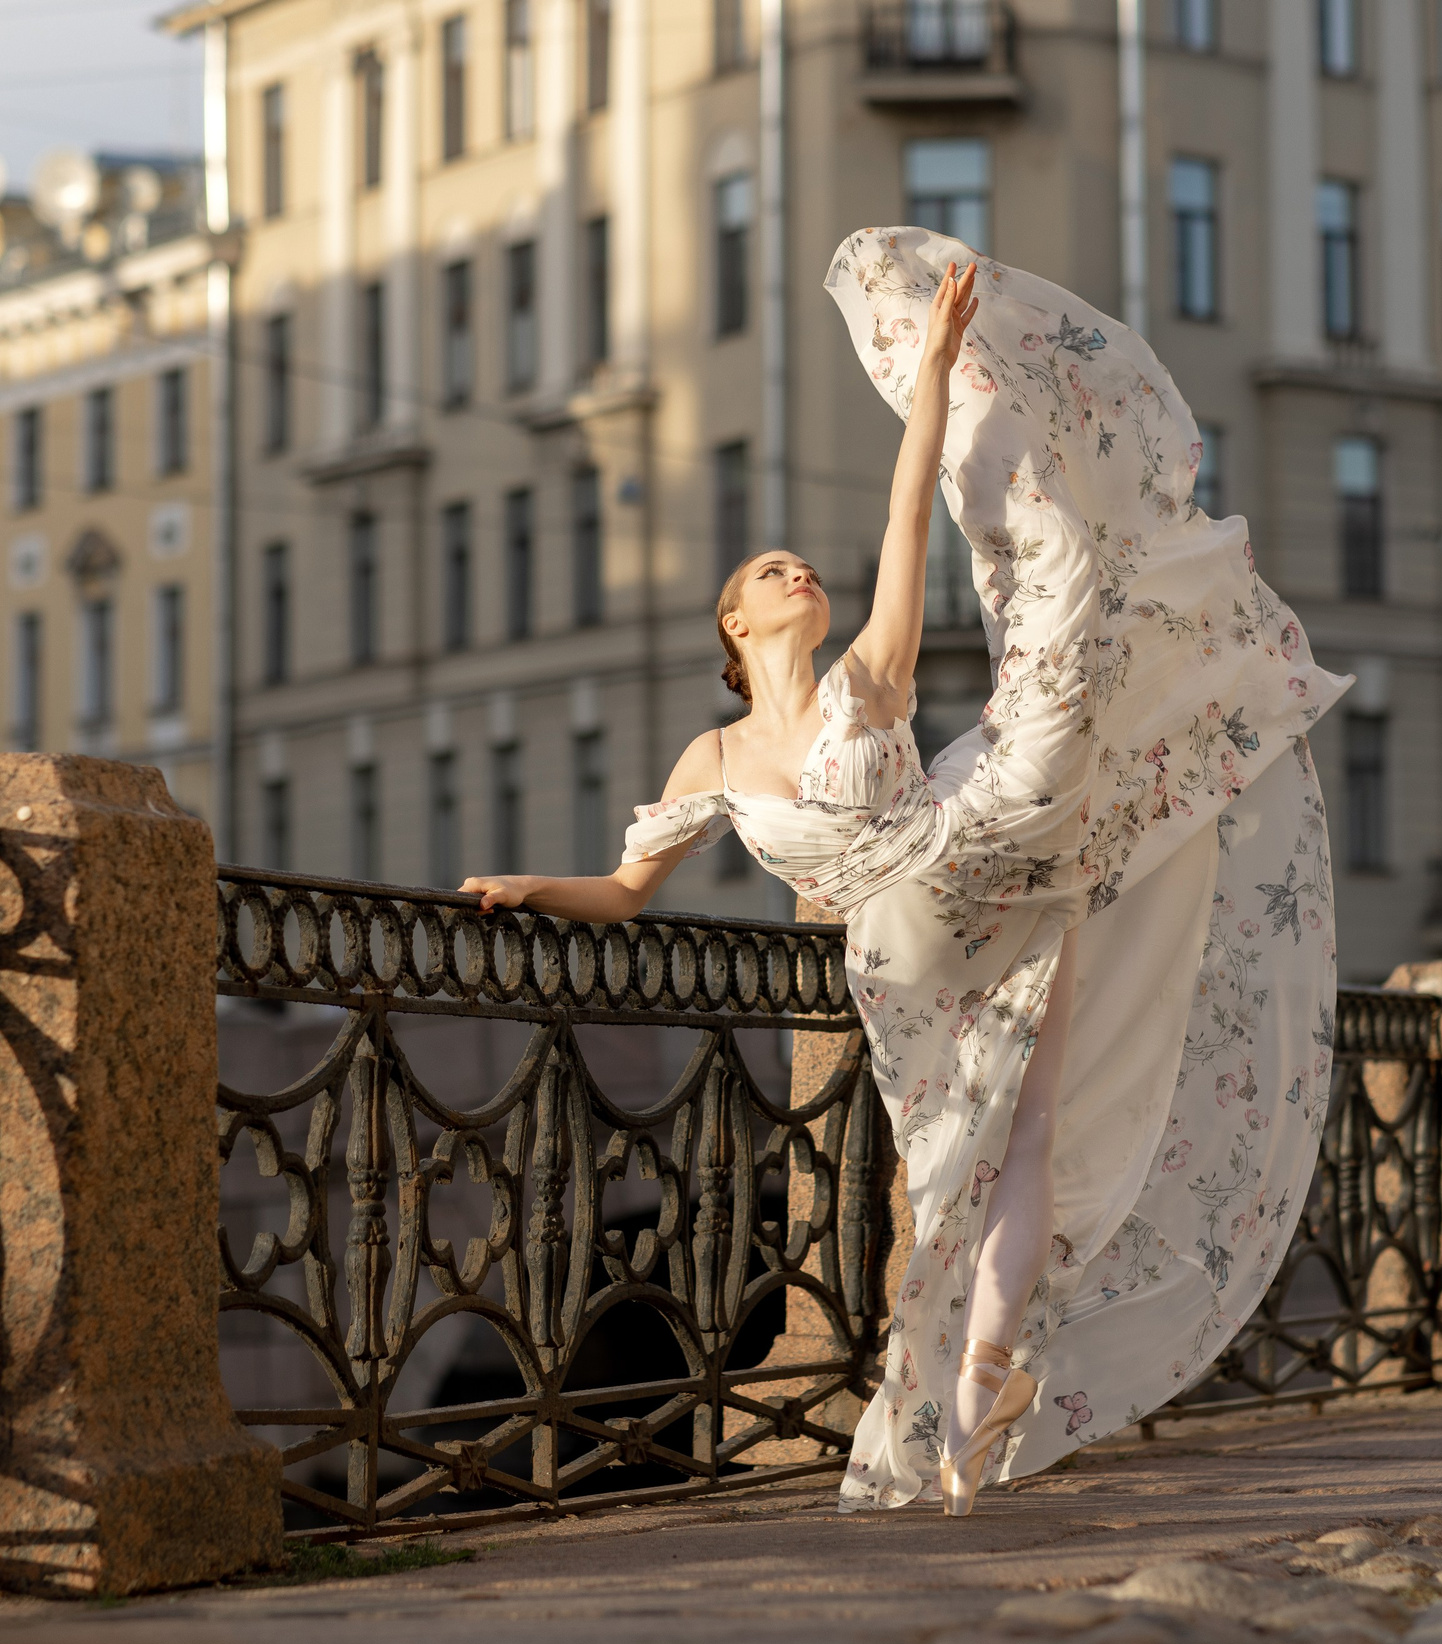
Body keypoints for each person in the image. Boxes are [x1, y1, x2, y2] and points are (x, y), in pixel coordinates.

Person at [462, 229, 1347, 1516]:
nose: (798, 571)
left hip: (968, 867)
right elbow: (625, 889)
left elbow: (905, 507)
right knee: (976, 1157)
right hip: (912, 929)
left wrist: (934, 369)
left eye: (802, 565)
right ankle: (974, 1385)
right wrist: (523, 891)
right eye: (770, 571)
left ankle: (976, 1401)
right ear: (735, 622)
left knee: (1008, 1143)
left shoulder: (864, 678)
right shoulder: (714, 754)